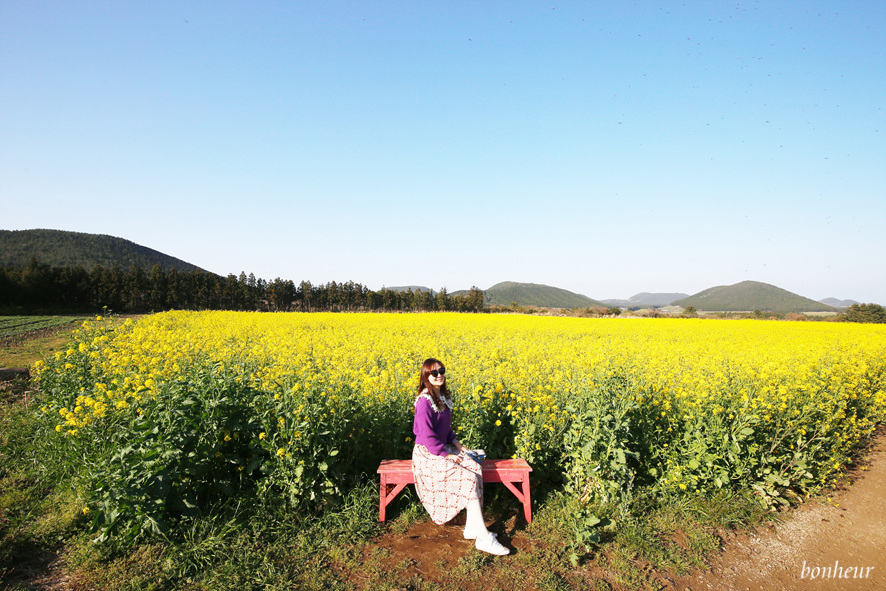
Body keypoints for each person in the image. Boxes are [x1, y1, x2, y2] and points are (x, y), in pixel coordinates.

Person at [411, 358, 510, 556]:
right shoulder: (424, 402)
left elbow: (445, 429)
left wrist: (458, 446)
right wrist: (448, 455)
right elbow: (429, 437)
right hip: (428, 454)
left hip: (443, 447)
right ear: (426, 377)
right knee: (467, 478)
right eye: (434, 373)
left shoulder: (442, 397)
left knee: (475, 467)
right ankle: (483, 538)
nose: (439, 375)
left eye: (441, 371)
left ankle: (472, 527)